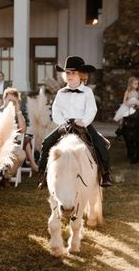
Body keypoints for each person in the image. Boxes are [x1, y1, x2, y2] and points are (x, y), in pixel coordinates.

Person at [38, 56, 113, 189]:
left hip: (83, 124)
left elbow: (91, 109)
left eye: (73, 73)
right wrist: (63, 122)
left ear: (81, 75)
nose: (70, 76)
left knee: (98, 142)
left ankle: (106, 174)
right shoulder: (61, 93)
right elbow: (56, 110)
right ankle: (43, 174)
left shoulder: (87, 92)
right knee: (47, 142)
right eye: (68, 73)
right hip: (65, 124)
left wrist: (83, 122)